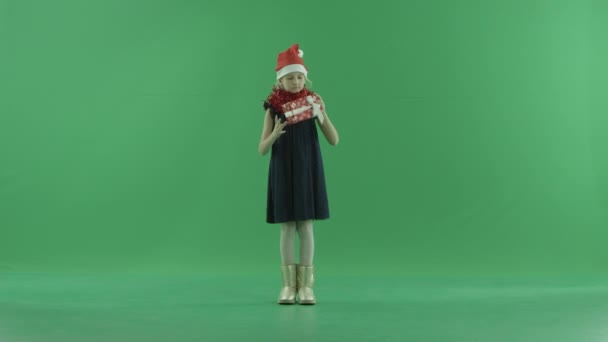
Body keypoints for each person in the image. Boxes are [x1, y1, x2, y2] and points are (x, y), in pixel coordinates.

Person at [258, 43, 339, 305]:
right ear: (280, 79)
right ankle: (287, 286)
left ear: (305, 77)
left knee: (305, 225)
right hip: (282, 169)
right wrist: (274, 134)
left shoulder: (313, 103)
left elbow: (334, 140)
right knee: (286, 227)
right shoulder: (273, 107)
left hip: (307, 168)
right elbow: (261, 149)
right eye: (290, 77)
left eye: (299, 76)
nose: (295, 81)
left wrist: (322, 115)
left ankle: (306, 288)